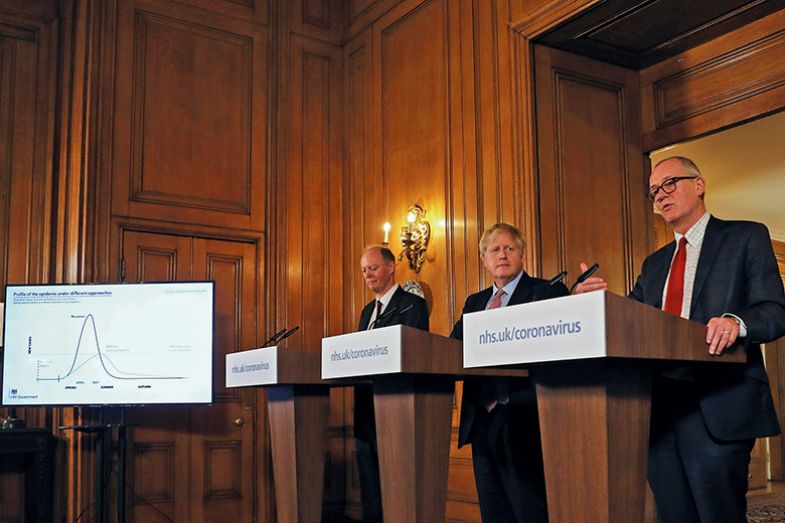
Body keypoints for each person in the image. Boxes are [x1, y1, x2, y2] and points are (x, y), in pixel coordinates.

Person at [575, 156, 785, 522]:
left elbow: (774, 310)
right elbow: (633, 320)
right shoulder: (654, 264)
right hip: (660, 409)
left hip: (718, 402)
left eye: (670, 183)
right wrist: (594, 304)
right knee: (673, 515)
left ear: (699, 184)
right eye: (655, 190)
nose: (661, 196)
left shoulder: (746, 236)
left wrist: (737, 321)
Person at [450, 223, 568, 522]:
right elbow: (452, 350)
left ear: (522, 254)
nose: (502, 255)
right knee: (494, 512)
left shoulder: (548, 291)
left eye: (509, 248)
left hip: (526, 419)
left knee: (530, 510)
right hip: (481, 420)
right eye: (494, 250)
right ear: (484, 260)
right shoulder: (475, 303)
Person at [354, 245, 429, 523]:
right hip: (365, 412)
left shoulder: (412, 305)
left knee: (399, 490)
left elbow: (414, 354)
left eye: (372, 268)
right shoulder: (366, 312)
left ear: (390, 266)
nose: (368, 275)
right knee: (371, 493)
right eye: (363, 270)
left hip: (397, 410)